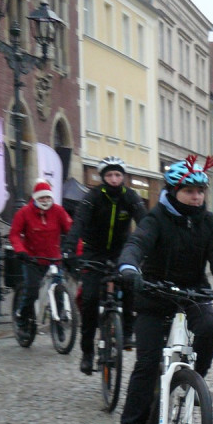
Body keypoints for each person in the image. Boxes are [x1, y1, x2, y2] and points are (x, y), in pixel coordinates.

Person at [116, 155, 213, 424]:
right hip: (154, 292)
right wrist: (129, 267)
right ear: (174, 190)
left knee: (211, 329)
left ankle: (194, 380)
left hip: (193, 291)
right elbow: (138, 244)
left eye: (200, 190)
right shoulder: (156, 217)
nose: (197, 196)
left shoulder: (208, 222)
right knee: (147, 364)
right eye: (190, 190)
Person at [65, 157, 148, 372]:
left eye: (118, 175)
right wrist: (69, 248)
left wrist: (151, 247)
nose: (114, 179)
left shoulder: (131, 197)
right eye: (109, 175)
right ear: (103, 177)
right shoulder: (92, 197)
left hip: (122, 251)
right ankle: (87, 352)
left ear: (123, 177)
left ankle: (128, 332)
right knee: (90, 299)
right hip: (94, 252)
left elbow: (145, 224)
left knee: (130, 286)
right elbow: (79, 224)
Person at [9, 180, 73, 326]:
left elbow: (71, 231)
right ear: (35, 198)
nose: (45, 200)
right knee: (32, 290)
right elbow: (14, 234)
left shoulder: (58, 211)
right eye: (41, 197)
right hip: (32, 259)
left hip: (54, 259)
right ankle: (22, 316)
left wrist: (76, 251)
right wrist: (21, 251)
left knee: (59, 293)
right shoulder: (24, 213)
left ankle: (59, 326)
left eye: (48, 197)